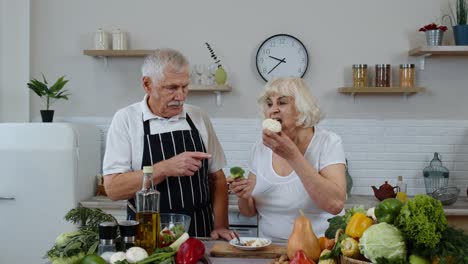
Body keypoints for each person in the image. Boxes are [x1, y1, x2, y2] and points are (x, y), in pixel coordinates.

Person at [103, 48, 234, 240]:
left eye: (185, 87)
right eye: (172, 88)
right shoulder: (126, 120)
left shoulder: (198, 117)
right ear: (147, 84)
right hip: (148, 235)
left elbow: (217, 179)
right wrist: (165, 168)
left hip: (200, 232)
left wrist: (221, 225)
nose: (181, 96)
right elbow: (113, 189)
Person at [230, 77, 347, 240]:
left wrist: (292, 155)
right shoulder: (259, 148)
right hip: (268, 250)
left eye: (282, 103)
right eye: (269, 104)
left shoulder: (328, 142)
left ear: (301, 108)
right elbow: (249, 211)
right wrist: (242, 195)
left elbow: (334, 204)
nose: (273, 110)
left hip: (319, 250)